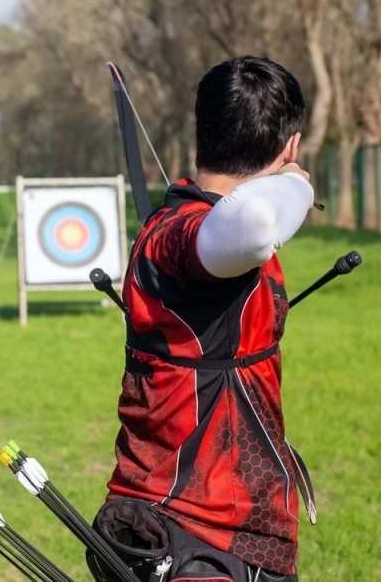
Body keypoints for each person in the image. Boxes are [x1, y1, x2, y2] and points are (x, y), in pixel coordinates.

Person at [89, 56, 315, 582]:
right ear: (291, 146)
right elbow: (256, 221)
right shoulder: (181, 235)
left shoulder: (200, 233)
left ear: (199, 132)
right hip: (194, 530)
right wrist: (298, 184)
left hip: (237, 520)